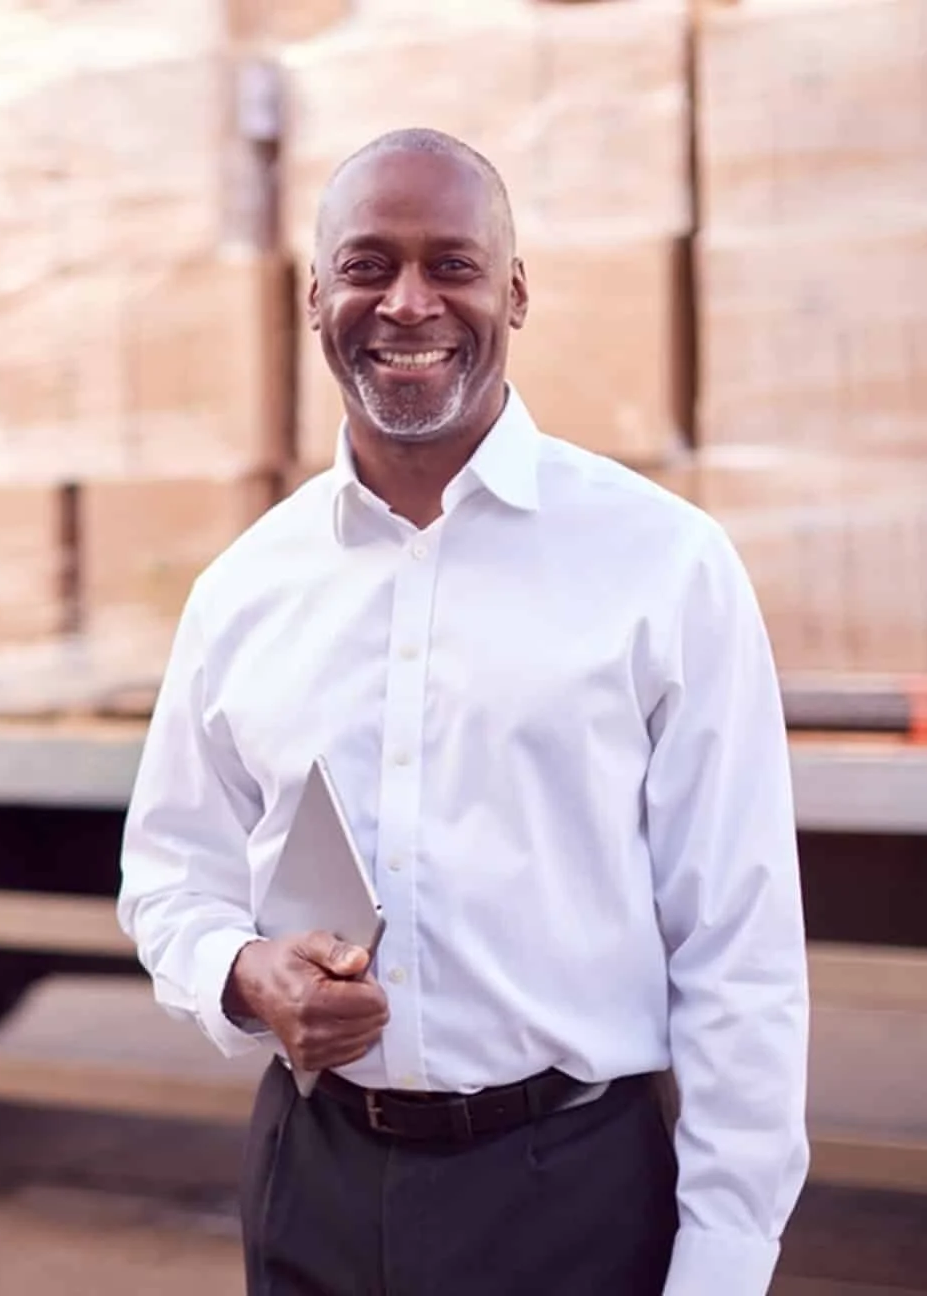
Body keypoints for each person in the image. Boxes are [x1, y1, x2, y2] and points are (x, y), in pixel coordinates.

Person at [117, 129, 810, 1296]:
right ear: (314, 297)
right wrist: (245, 973)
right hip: (313, 1180)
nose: (407, 303)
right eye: (366, 266)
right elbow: (170, 876)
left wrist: (724, 1261)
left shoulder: (663, 564)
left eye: (451, 265)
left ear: (515, 293)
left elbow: (737, 947)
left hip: (571, 1194)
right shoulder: (244, 589)